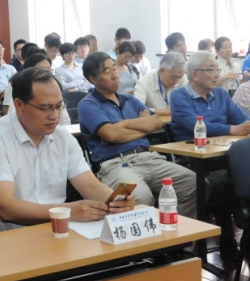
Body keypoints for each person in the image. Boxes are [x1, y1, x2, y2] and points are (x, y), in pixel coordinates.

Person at [0, 68, 136, 235]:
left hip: (57, 232)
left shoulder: (63, 137)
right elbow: (6, 208)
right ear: (19, 105)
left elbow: (91, 186)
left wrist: (115, 201)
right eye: (45, 108)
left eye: (59, 106)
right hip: (5, 239)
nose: (55, 115)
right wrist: (67, 211)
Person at [78, 52, 197, 212]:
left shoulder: (130, 100)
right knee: (140, 198)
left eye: (115, 69)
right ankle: (154, 226)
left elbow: (156, 122)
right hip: (116, 164)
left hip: (149, 158)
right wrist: (142, 127)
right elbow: (111, 135)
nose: (115, 75)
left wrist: (121, 125)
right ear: (93, 79)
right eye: (107, 72)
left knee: (195, 183)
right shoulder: (88, 104)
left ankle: (174, 225)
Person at [170, 51, 250, 141]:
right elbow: (197, 126)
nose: (217, 75)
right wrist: (232, 129)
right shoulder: (179, 96)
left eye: (218, 70)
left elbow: (242, 119)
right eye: (212, 70)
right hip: (194, 147)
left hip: (223, 145)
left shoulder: (221, 93)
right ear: (195, 75)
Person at [2, 52, 71, 126]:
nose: (47, 74)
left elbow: (65, 121)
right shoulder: (16, 85)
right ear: (28, 70)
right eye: (42, 70)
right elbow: (11, 113)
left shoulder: (53, 87)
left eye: (49, 70)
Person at [133, 53, 186, 117]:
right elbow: (136, 107)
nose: (176, 81)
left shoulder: (182, 78)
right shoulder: (144, 81)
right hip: (154, 121)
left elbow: (188, 104)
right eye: (173, 77)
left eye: (180, 77)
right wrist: (163, 112)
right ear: (161, 70)